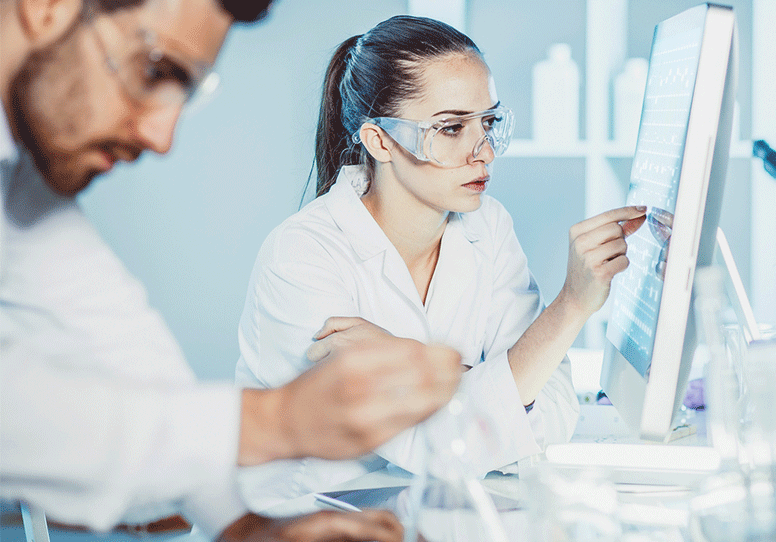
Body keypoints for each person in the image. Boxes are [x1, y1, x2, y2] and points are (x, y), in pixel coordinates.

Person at [0, 1, 463, 540]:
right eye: (155, 70)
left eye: (186, 93)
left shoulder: (19, 187)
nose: (161, 136)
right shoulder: (305, 246)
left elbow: (117, 346)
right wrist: (273, 422)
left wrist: (244, 528)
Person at [235, 15, 647, 508]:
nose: (485, 151)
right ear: (380, 141)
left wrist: (405, 363)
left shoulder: (487, 227)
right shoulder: (303, 256)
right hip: (297, 522)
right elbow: (438, 445)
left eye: (488, 123)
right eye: (451, 128)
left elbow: (550, 417)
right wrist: (569, 309)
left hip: (420, 514)